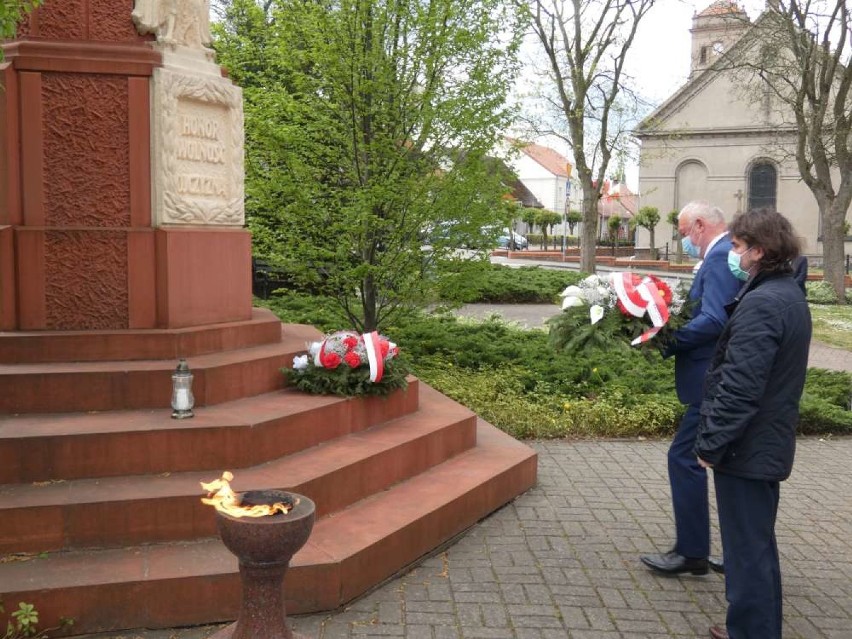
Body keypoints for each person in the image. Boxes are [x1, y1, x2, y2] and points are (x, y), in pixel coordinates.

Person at [696, 209, 811, 639]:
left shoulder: (764, 304)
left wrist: (710, 444)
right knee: (756, 545)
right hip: (762, 443)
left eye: (740, 247)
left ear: (760, 251)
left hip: (747, 448)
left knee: (746, 551)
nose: (734, 254)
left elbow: (741, 387)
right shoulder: (784, 292)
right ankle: (753, 627)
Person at [640, 202, 741, 576]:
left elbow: (715, 319)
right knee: (727, 467)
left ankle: (693, 551)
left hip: (710, 380)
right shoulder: (729, 254)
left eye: (683, 233)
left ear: (699, 225)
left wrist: (663, 338)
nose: (683, 240)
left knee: (684, 458)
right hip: (719, 378)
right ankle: (734, 555)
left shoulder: (718, 259)